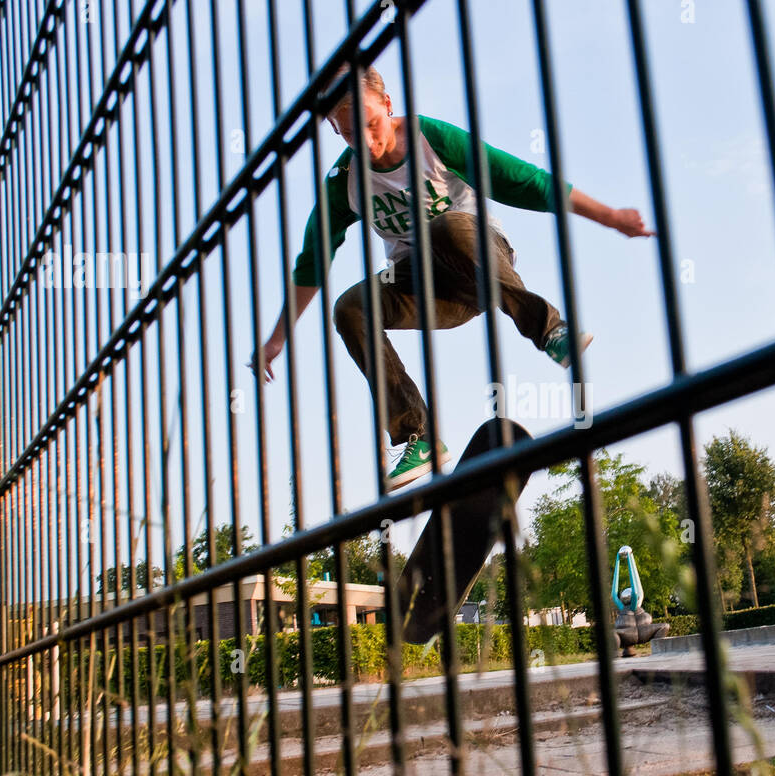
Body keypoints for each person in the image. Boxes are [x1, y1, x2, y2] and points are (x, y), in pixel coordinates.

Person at [251, 64, 652, 488]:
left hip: (479, 261)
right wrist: (277, 338)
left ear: (387, 105)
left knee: (444, 228)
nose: (366, 144)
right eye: (350, 135)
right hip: (426, 287)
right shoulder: (344, 182)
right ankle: (418, 438)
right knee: (350, 308)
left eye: (371, 125)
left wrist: (608, 216)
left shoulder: (432, 140)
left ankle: (550, 330)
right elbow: (313, 259)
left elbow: (522, 181)